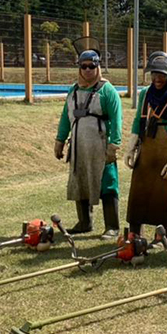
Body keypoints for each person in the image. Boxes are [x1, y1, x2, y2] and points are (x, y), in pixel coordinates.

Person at [54, 49, 122, 239]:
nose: (88, 70)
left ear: (98, 66)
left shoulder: (107, 90)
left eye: (92, 66)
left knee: (107, 183)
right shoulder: (74, 90)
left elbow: (117, 119)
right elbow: (65, 118)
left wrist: (113, 145)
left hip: (100, 146)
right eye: (84, 66)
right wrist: (60, 140)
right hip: (78, 145)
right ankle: (84, 222)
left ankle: (112, 226)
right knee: (80, 179)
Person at [122, 51, 167, 238]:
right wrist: (130, 147)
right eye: (154, 74)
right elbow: (138, 120)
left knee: (162, 195)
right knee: (138, 191)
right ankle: (135, 233)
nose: (158, 78)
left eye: (162, 75)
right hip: (146, 150)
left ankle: (162, 236)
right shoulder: (145, 94)